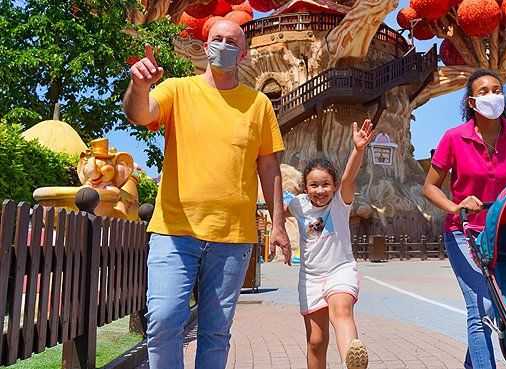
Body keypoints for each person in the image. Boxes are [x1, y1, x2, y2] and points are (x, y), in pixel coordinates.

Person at [122, 20, 291, 369]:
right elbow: (140, 114)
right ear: (205, 44)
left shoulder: (258, 104)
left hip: (232, 236)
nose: (224, 46)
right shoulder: (177, 90)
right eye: (218, 39)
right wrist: (138, 87)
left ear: (243, 53)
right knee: (164, 319)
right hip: (174, 230)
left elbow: (269, 167)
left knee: (216, 332)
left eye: (232, 42)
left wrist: (278, 224)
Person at [423, 68, 506, 368]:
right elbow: (429, 188)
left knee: (505, 305)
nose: (492, 95)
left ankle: (472, 364)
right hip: (464, 231)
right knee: (481, 305)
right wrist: (455, 205)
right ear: (472, 102)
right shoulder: (454, 138)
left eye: (496, 89)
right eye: (483, 91)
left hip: (505, 233)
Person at [284, 119, 374, 369]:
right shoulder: (298, 204)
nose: (320, 190)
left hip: (340, 270)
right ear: (305, 187)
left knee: (341, 311)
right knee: (316, 340)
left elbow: (348, 178)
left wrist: (358, 149)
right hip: (310, 277)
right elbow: (279, 210)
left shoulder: (340, 202)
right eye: (314, 185)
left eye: (326, 184)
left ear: (334, 186)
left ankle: (352, 358)